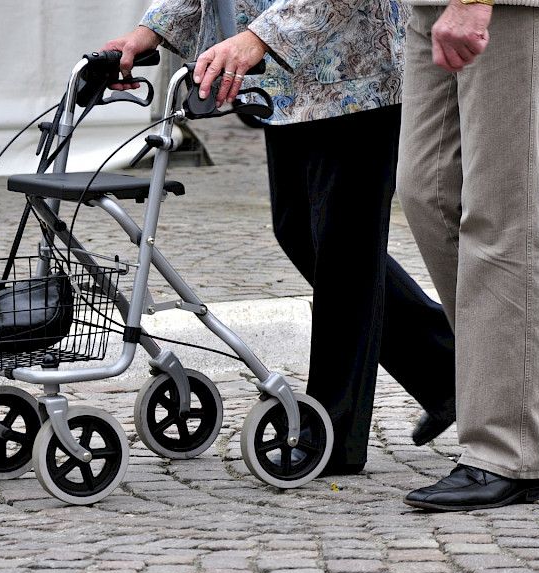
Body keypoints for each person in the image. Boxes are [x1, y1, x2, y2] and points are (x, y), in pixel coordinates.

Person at [104, 0, 458, 476]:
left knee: (343, 247)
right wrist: (149, 32)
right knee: (301, 232)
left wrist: (258, 37)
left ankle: (332, 431)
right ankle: (447, 374)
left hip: (354, 72)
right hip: (285, 79)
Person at [397, 0, 539, 511]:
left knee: (502, 211)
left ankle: (508, 451)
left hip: (508, 6)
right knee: (428, 194)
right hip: (429, 6)